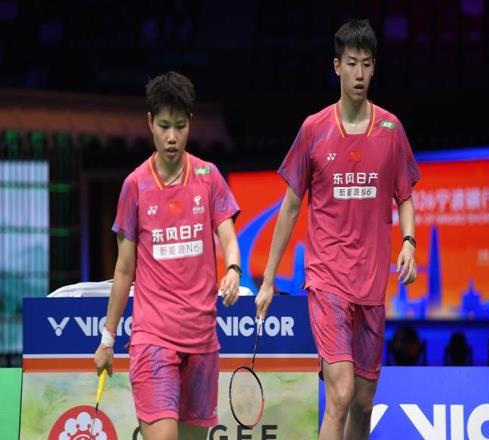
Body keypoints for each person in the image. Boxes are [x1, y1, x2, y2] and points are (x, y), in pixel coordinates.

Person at [255, 19, 420, 440]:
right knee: (341, 392)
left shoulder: (391, 130)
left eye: (366, 64)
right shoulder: (314, 129)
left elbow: (404, 196)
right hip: (327, 278)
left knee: (363, 402)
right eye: (351, 63)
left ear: (374, 68)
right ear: (336, 66)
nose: (359, 73)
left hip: (372, 283)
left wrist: (409, 242)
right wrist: (269, 279)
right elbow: (291, 207)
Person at [94, 71, 242, 440]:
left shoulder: (208, 177)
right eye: (163, 126)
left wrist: (234, 268)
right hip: (153, 338)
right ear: (150, 123)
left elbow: (228, 235)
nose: (172, 137)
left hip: (202, 340)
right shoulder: (135, 186)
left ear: (190, 122)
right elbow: (124, 269)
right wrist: (108, 339)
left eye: (179, 126)